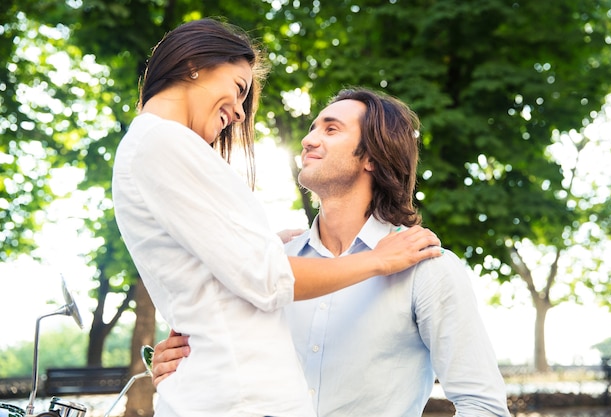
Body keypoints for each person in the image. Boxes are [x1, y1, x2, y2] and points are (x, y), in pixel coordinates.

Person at [112, 18, 443, 417]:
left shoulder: (154, 145)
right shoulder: (163, 142)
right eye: (238, 89)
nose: (237, 113)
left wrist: (263, 242)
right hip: (242, 403)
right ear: (193, 64)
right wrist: (379, 260)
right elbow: (266, 279)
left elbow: (221, 273)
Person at [152, 87, 512, 416]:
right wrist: (182, 370)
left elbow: (483, 405)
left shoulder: (428, 269)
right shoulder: (272, 267)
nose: (308, 140)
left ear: (372, 157)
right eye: (312, 128)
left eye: (331, 129)